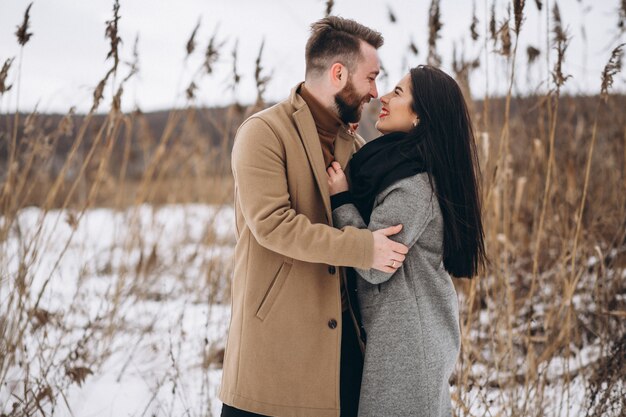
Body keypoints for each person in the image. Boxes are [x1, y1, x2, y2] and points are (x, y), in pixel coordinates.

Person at [219, 17, 410, 417]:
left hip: (341, 350)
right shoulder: (263, 133)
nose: (376, 93)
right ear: (339, 73)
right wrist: (362, 249)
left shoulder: (355, 144)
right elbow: (273, 225)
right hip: (274, 351)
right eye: (371, 78)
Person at [327, 65, 487, 417]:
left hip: (409, 349)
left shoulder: (414, 185)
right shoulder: (403, 167)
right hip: (402, 338)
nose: (383, 96)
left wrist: (341, 201)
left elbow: (374, 267)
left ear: (420, 115)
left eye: (398, 93)